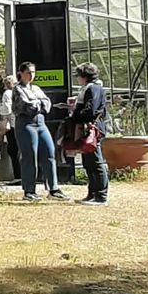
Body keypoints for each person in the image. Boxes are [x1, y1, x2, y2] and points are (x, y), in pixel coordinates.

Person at [9, 62, 65, 201]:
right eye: (28, 72)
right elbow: (26, 105)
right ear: (21, 73)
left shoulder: (36, 88)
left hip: (40, 123)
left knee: (49, 152)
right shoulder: (18, 89)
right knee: (29, 156)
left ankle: (53, 188)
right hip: (26, 124)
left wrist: (38, 103)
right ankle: (29, 190)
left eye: (33, 72)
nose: (31, 75)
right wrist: (39, 103)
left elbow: (47, 103)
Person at [67, 61, 110, 204]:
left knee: (96, 161)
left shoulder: (94, 88)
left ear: (84, 76)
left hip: (93, 129)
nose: (77, 79)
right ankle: (92, 193)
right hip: (88, 128)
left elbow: (91, 110)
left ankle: (101, 195)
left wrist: (75, 115)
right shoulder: (89, 88)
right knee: (88, 162)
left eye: (78, 75)